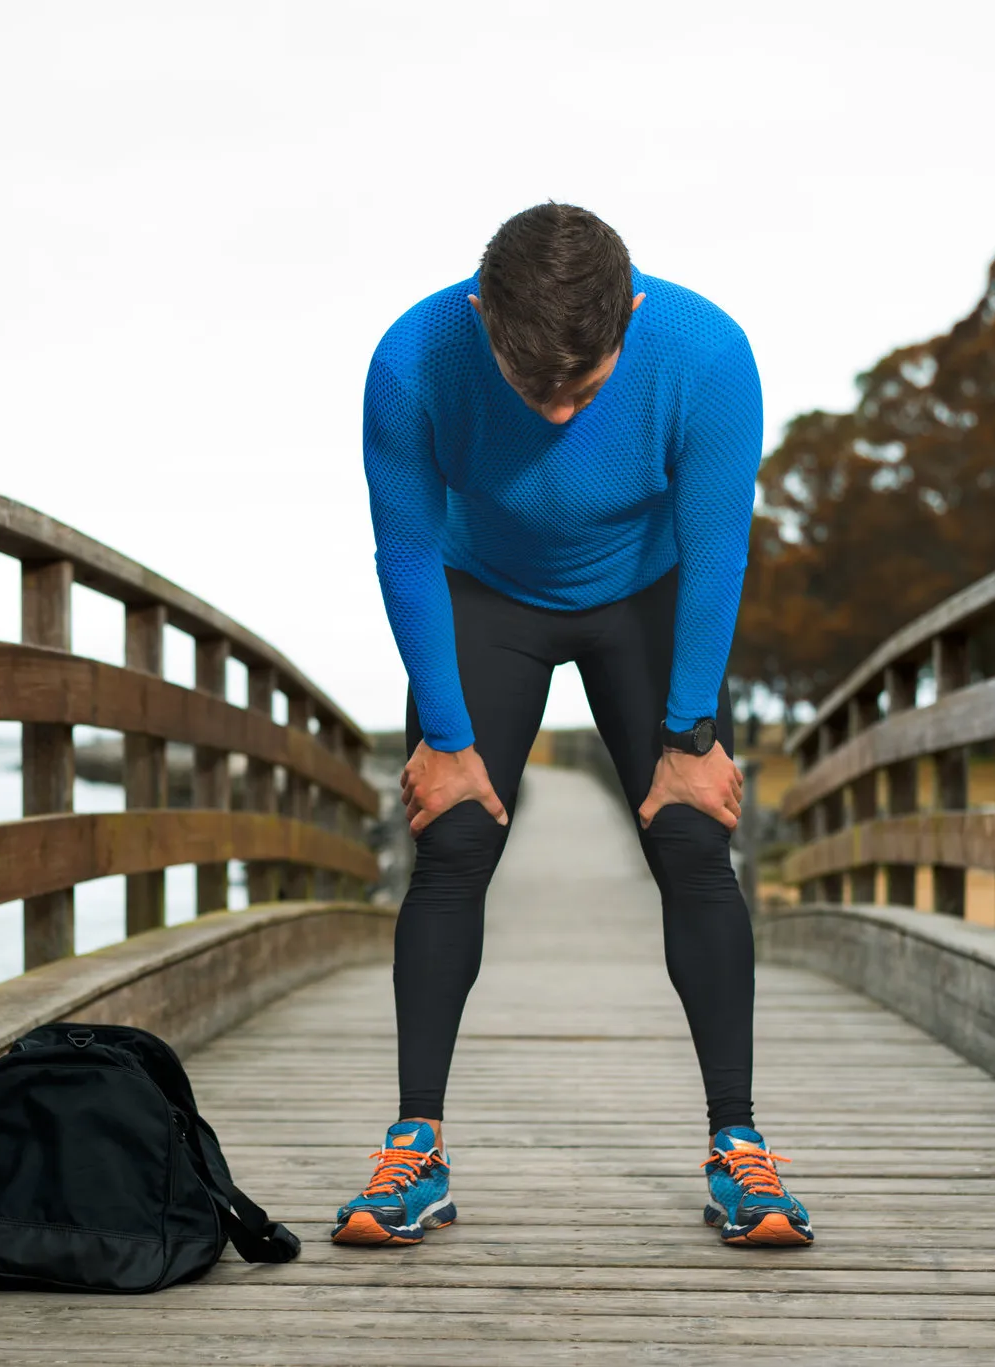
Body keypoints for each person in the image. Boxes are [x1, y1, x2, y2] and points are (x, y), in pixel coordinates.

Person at [332, 202, 811, 1249]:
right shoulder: (414, 362)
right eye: (528, 384)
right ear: (480, 315)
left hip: (641, 595)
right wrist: (445, 739)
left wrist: (690, 737)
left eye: (581, 388)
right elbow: (406, 552)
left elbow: (716, 551)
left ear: (628, 317)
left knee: (693, 842)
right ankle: (415, 1147)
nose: (553, 413)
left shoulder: (705, 355)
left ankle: (738, 1147)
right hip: (481, 590)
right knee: (449, 840)